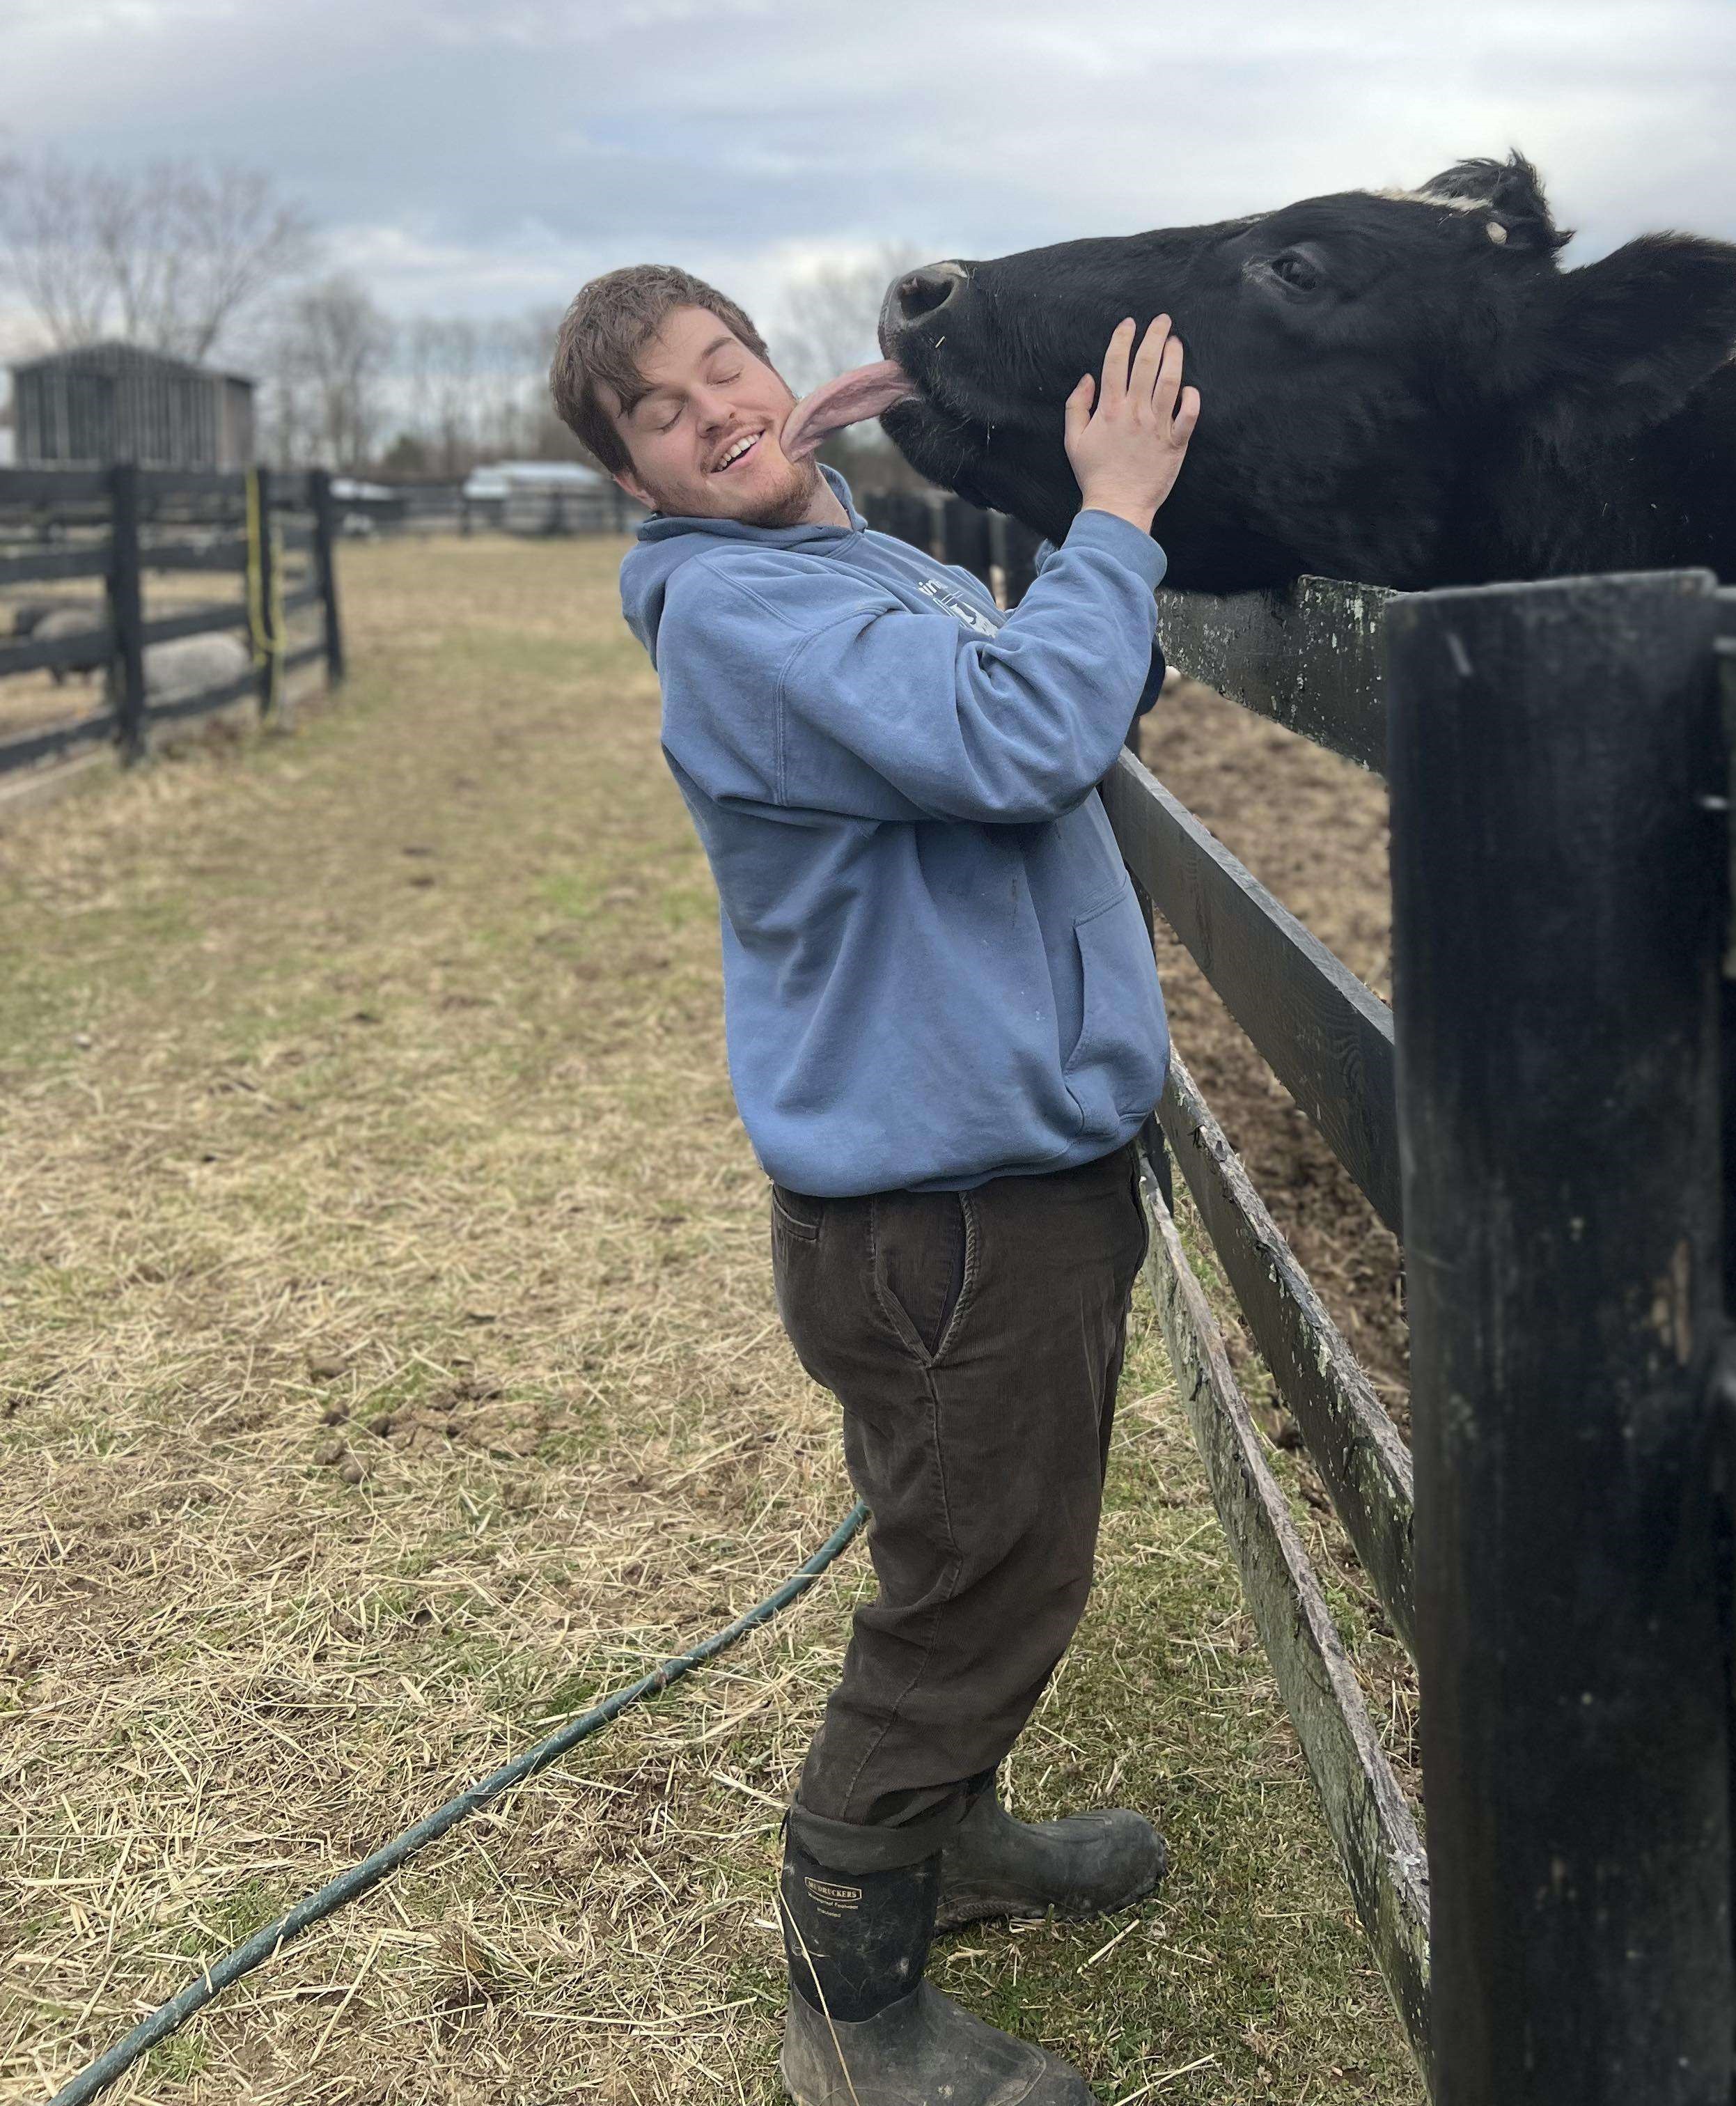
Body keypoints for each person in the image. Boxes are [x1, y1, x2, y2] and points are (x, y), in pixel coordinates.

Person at [549, 264, 1201, 2106]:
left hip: (1004, 1171)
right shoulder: (739, 615)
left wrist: (923, 484)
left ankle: (953, 1834)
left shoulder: (849, 562)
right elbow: (1019, 736)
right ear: (634, 478)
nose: (718, 410)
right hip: (948, 1214)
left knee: (996, 1546)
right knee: (971, 1592)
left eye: (728, 366)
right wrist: (1117, 510)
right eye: (665, 413)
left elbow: (1042, 680)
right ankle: (848, 2016)